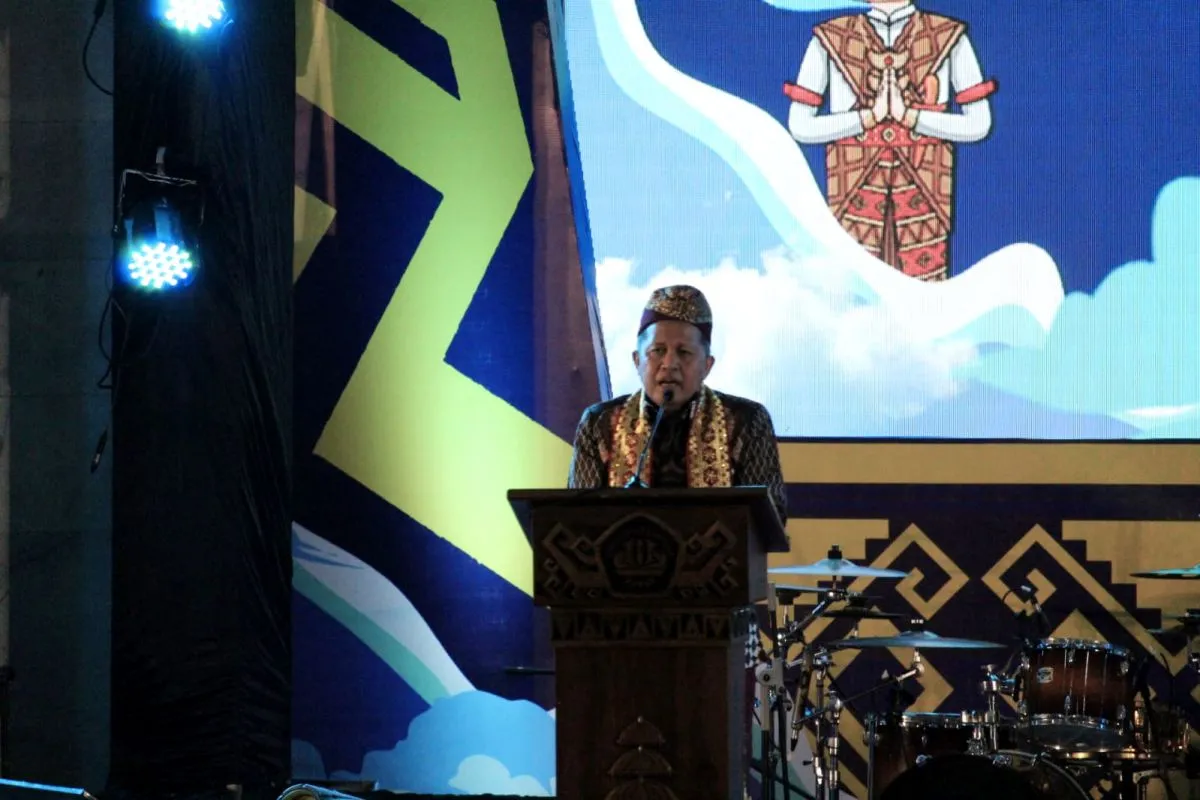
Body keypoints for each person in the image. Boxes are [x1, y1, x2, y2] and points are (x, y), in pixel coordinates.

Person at [783, 0, 997, 281]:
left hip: (925, 194)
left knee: (925, 292)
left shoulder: (948, 35)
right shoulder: (829, 37)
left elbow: (979, 124)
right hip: (852, 193)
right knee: (854, 290)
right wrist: (866, 118)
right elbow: (800, 126)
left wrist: (912, 118)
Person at [567, 284, 787, 526]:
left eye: (684, 352)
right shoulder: (599, 424)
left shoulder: (747, 421)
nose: (670, 363)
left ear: (707, 365)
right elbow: (577, 519)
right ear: (637, 360)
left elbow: (769, 521)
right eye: (658, 350)